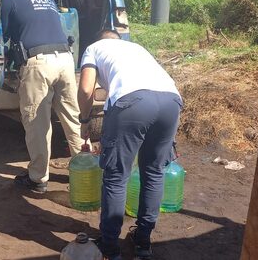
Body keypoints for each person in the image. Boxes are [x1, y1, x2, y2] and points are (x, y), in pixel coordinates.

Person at [77, 29, 183, 260]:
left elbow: (86, 89)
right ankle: (143, 242)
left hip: (133, 101)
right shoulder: (136, 49)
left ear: (99, 40)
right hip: (171, 101)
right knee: (154, 172)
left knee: (116, 176)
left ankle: (109, 245)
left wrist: (84, 121)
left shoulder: (94, 48)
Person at [1, 0, 85, 194]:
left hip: (39, 64)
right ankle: (83, 170)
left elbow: (2, 33)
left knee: (37, 123)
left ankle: (38, 178)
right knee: (72, 118)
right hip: (65, 60)